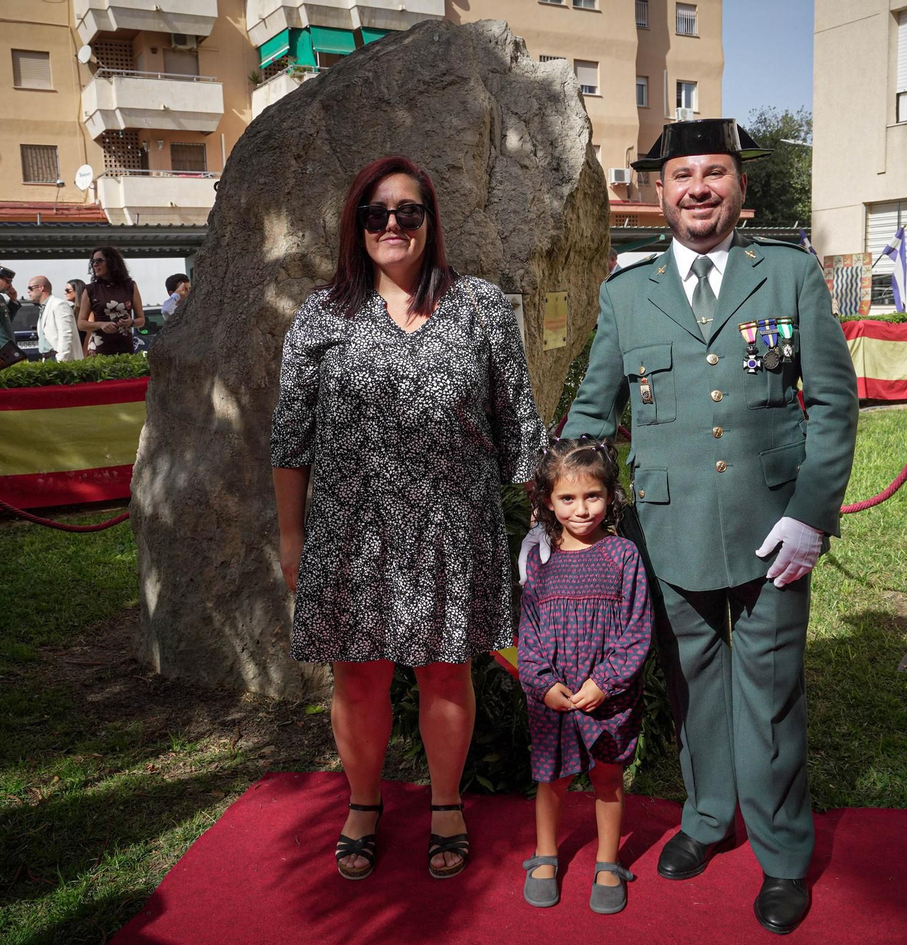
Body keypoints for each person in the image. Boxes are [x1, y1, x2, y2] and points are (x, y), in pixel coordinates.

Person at [560, 119, 859, 936]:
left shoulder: (791, 276)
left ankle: (784, 853)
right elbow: (593, 409)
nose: (698, 187)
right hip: (669, 529)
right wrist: (566, 502)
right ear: (659, 191)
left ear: (740, 187)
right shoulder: (627, 293)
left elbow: (834, 404)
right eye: (682, 174)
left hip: (774, 531)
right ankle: (704, 818)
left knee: (770, 697)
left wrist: (812, 514)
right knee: (692, 687)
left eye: (714, 173)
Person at [270, 156, 546, 882]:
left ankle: (446, 803)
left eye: (408, 212)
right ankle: (363, 803)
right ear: (356, 226)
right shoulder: (322, 315)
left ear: (430, 222)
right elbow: (289, 435)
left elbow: (518, 420)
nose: (392, 225)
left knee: (444, 674)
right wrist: (292, 535)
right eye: (376, 213)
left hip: (451, 530)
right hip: (351, 534)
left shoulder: (481, 306)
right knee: (357, 678)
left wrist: (551, 525)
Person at [516, 436, 652, 915]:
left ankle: (608, 860)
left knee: (608, 779)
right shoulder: (538, 559)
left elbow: (638, 631)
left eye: (592, 495)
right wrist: (542, 684)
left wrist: (604, 682)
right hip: (553, 699)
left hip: (608, 698)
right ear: (548, 500)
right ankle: (547, 854)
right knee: (550, 781)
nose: (581, 508)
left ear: (610, 496)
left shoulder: (624, 557)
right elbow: (527, 633)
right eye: (567, 498)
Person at [76, 246, 143, 356]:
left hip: (125, 346)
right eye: (93, 261)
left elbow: (141, 320)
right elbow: (81, 324)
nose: (95, 264)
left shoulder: (130, 286)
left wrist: (131, 322)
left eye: (99, 261)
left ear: (112, 262)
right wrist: (101, 324)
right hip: (99, 348)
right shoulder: (90, 290)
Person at [28, 275, 84, 362]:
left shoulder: (59, 305)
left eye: (30, 288)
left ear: (41, 287)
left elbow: (66, 334)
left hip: (58, 359)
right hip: (47, 358)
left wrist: (61, 360)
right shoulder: (44, 308)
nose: (28, 292)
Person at [64, 279, 88, 354]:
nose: (65, 293)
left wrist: (84, 351)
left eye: (68, 290)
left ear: (77, 291)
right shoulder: (71, 309)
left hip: (83, 346)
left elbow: (89, 333)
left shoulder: (85, 309)